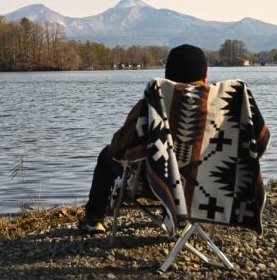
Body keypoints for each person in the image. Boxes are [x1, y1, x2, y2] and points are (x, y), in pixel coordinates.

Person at [79, 44, 209, 233]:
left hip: (154, 183)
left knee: (107, 154)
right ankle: (174, 213)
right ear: (205, 77)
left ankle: (94, 219)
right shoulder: (219, 109)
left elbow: (119, 148)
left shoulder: (154, 105)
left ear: (168, 77)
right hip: (204, 184)